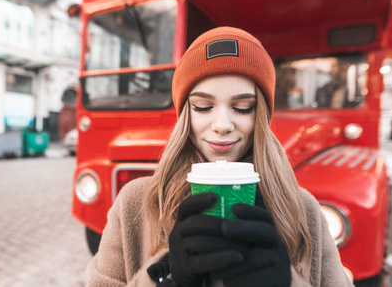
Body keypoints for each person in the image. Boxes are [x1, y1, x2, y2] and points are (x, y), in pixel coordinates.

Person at [86, 27, 353, 287]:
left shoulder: (303, 208)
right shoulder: (134, 203)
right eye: (203, 107)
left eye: (242, 107)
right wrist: (164, 278)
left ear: (261, 116)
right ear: (185, 115)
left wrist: (287, 282)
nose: (222, 124)